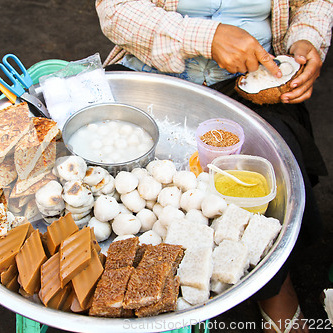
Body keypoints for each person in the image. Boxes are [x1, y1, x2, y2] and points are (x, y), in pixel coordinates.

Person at [96, 0, 332, 332]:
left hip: (253, 82)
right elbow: (115, 10)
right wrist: (203, 37)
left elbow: (313, 5)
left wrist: (306, 39)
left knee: (276, 176)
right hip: (151, 74)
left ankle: (276, 285)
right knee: (104, 160)